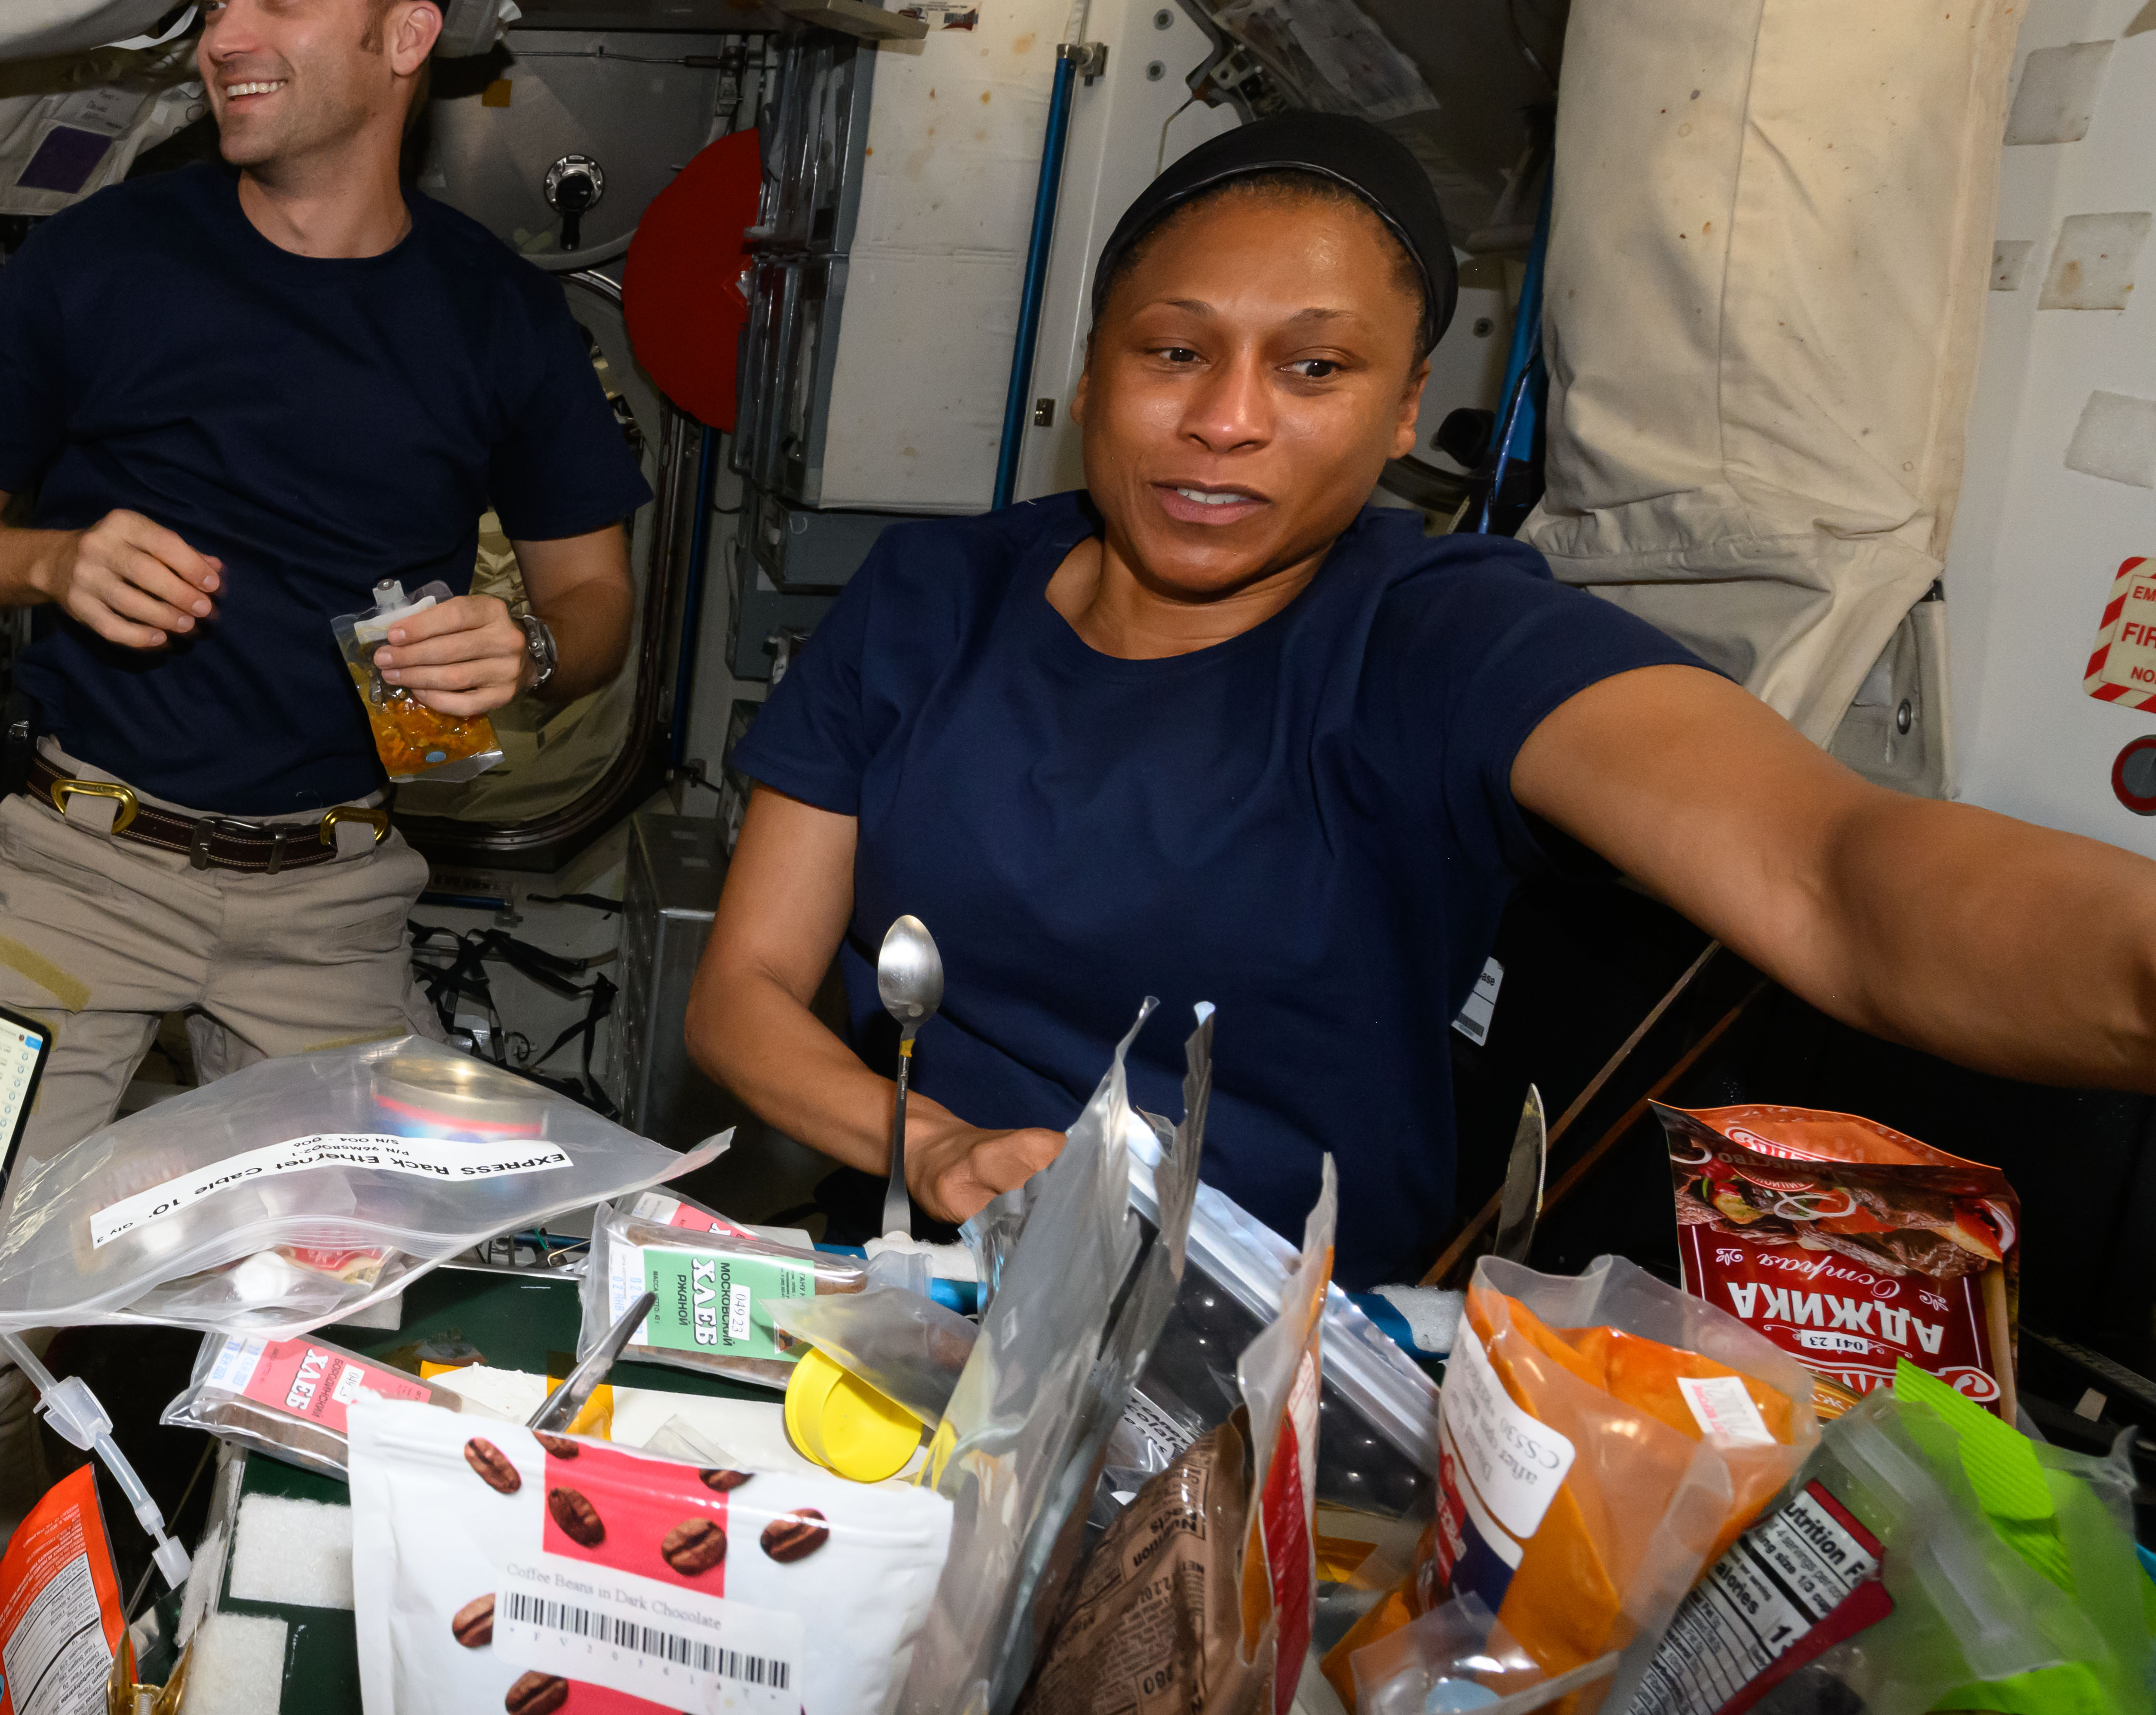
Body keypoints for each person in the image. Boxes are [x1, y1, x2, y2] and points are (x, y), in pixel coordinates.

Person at [686, 112, 2156, 1285]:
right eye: (1175, 352)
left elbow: (1832, 871)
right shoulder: (932, 598)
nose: (1228, 418)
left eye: (1314, 367)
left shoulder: (1439, 641)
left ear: (1402, 410)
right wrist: (938, 1148)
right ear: (1093, 373)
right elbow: (743, 992)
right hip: (921, 1263)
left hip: (1274, 1346)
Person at [0, 0, 652, 1646]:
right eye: (215, 1)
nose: (225, 34)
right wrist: (50, 556)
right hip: (57, 869)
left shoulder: (494, 319)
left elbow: (599, 605)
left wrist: (523, 648)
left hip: (331, 902)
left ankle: (233, 1692)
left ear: (407, 38)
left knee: (360, 1371)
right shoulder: (101, 263)